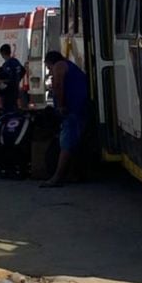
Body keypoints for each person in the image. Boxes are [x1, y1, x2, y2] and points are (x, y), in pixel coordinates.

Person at [42, 50, 89, 188]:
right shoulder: (69, 65)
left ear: (51, 62)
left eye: (48, 67)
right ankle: (74, 174)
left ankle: (57, 177)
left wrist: (61, 106)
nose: (50, 71)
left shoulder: (59, 66)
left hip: (72, 109)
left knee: (66, 143)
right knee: (74, 141)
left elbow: (58, 86)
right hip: (80, 108)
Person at [0, 43, 25, 113]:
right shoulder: (16, 61)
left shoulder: (7, 64)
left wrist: (3, 81)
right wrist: (18, 79)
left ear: (3, 53)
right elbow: (23, 70)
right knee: (14, 106)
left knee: (8, 109)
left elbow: (10, 76)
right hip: (15, 88)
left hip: (8, 90)